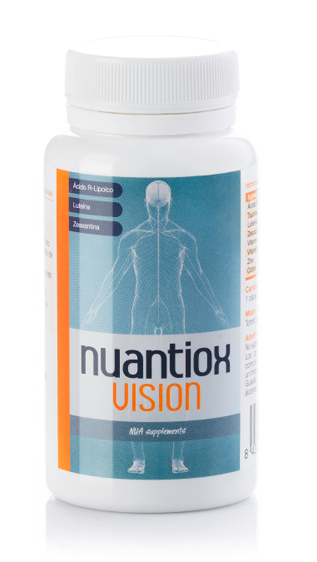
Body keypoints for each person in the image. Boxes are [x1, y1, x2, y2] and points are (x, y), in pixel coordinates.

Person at [84, 180, 228, 474]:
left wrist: (216, 307)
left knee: (183, 379)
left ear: (170, 205)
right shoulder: (133, 238)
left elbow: (199, 275)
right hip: (142, 307)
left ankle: (177, 458)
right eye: (154, 208)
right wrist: (95, 306)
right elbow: (115, 276)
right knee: (133, 381)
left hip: (174, 307)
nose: (159, 214)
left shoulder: (183, 238)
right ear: (146, 205)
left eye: (162, 209)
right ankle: (139, 458)